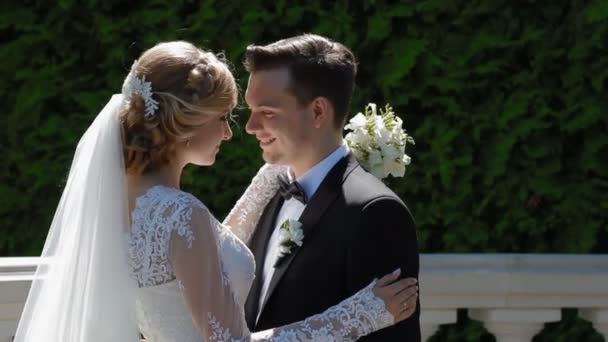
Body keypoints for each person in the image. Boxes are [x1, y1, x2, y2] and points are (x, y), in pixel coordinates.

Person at [14, 41, 418, 342]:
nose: (232, 132)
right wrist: (361, 314)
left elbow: (204, 258)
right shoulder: (178, 213)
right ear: (187, 123)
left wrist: (265, 181)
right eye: (223, 117)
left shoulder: (123, 203)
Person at [242, 34, 421, 341]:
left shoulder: (374, 212)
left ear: (318, 112)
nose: (250, 127)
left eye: (267, 113)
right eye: (250, 110)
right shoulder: (266, 192)